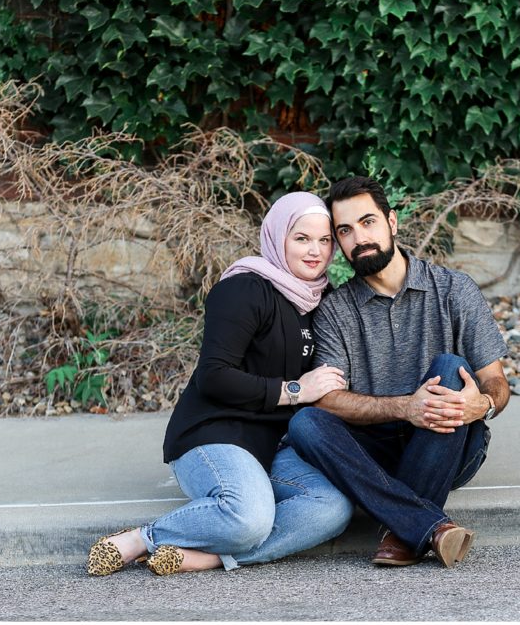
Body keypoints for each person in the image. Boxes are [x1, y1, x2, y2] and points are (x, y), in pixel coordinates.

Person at [87, 192, 353, 577]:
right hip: (216, 434)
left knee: (332, 509)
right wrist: (296, 390)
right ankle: (143, 539)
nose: (315, 251)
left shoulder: (322, 301)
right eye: (301, 238)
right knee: (249, 519)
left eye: (324, 241)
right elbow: (214, 376)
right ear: (279, 238)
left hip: (275, 445)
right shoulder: (245, 289)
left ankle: (211, 557)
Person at [287, 176, 511, 568]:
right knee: (306, 421)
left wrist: (483, 405)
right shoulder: (335, 310)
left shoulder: (454, 289)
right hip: (375, 450)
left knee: (451, 367)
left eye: (368, 222)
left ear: (392, 222)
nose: (359, 237)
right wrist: (407, 407)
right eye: (345, 230)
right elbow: (328, 399)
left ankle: (402, 528)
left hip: (451, 441)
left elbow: (496, 379)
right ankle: (426, 527)